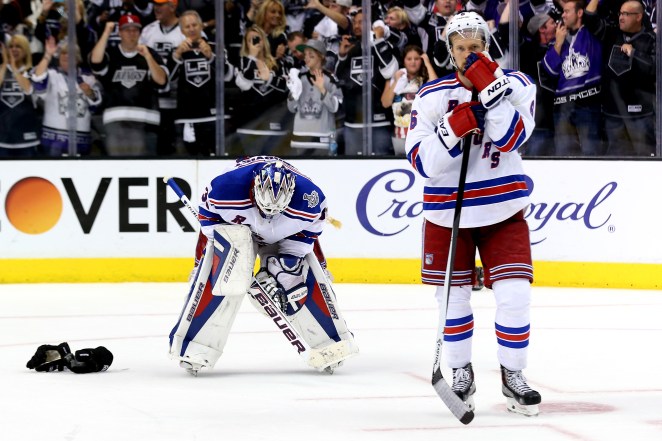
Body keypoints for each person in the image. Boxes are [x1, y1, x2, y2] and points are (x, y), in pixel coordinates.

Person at [405, 11, 542, 416]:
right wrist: (455, 126)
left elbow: (515, 138)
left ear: (487, 47)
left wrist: (492, 97)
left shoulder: (516, 85)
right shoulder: (431, 96)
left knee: (515, 296)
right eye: (461, 49)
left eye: (476, 47)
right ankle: (460, 371)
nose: (469, 55)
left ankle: (513, 376)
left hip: (503, 210)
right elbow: (422, 163)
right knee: (453, 303)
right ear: (450, 52)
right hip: (448, 216)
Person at [168, 156, 358, 375]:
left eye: (276, 210)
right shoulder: (225, 188)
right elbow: (208, 219)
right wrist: (230, 253)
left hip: (286, 235)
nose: (269, 215)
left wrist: (282, 268)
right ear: (254, 190)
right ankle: (195, 348)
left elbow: (309, 234)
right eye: (264, 207)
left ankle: (330, 343)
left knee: (293, 279)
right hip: (237, 229)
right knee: (224, 277)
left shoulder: (311, 199)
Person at [89, 14, 168, 155]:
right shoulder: (111, 54)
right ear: (119, 32)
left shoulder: (151, 54)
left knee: (144, 171)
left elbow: (161, 80)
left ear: (140, 32)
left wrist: (148, 56)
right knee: (118, 169)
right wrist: (106, 32)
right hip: (115, 121)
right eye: (127, 30)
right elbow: (95, 61)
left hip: (146, 122)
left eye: (135, 30)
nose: (131, 34)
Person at [584, 0, 655, 156]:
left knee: (645, 161)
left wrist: (634, 54)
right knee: (615, 164)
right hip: (612, 115)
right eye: (620, 13)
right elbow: (589, 18)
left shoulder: (650, 39)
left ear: (638, 17)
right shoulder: (612, 33)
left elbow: (654, 68)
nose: (621, 17)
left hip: (640, 115)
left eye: (626, 14)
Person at [542, 0, 603, 156]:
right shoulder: (559, 38)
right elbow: (549, 71)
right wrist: (558, 44)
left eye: (567, 11)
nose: (563, 15)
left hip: (587, 103)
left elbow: (592, 12)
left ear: (580, 13)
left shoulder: (592, 32)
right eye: (563, 12)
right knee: (564, 154)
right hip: (562, 106)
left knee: (591, 153)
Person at [170, 10, 232, 155]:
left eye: (194, 25)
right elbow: (167, 82)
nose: (191, 29)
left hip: (215, 117)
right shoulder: (175, 51)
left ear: (201, 26)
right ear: (181, 30)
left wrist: (211, 57)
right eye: (187, 26)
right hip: (187, 118)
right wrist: (177, 56)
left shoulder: (216, 47)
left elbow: (228, 76)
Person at [31, 37, 102, 156]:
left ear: (78, 58)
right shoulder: (52, 74)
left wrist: (90, 93)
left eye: (71, 53)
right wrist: (47, 55)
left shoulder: (88, 77)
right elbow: (37, 80)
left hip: (81, 140)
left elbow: (98, 105)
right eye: (63, 53)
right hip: (53, 140)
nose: (66, 56)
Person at [139, 0, 186, 155]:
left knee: (181, 153)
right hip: (154, 103)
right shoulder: (147, 31)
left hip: (181, 103)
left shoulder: (186, 29)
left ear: (173, 7)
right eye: (155, 4)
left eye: (160, 5)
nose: (156, 8)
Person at [286, 38, 343, 155]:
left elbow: (335, 108)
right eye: (305, 54)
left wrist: (322, 89)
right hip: (300, 139)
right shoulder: (299, 79)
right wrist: (293, 94)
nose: (306, 58)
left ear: (321, 56)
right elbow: (292, 108)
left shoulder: (331, 79)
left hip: (323, 139)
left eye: (310, 55)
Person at [381, 45, 437, 155]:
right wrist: (396, 81)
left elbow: (436, 87)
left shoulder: (425, 80)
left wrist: (428, 63)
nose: (413, 62)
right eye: (409, 59)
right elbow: (385, 103)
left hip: (421, 133)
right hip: (399, 133)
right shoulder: (394, 78)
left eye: (417, 59)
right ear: (404, 61)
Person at [0, 35, 40, 157]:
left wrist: (15, 68)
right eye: (11, 47)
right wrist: (5, 64)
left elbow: (28, 90)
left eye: (18, 47)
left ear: (26, 50)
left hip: (27, 135)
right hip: (3, 136)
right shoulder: (1, 70)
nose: (14, 49)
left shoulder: (33, 71)